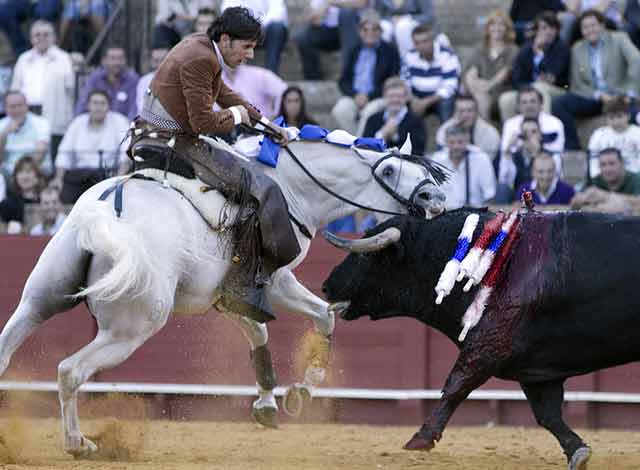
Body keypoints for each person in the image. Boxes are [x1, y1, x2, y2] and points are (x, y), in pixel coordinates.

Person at [131, 7, 298, 323]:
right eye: (246, 46)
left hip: (161, 135)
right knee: (258, 189)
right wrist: (238, 117)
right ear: (225, 39)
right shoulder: (202, 58)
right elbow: (201, 122)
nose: (250, 54)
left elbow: (223, 93)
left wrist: (265, 123)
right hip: (172, 142)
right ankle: (241, 285)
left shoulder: (202, 46)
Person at [551, 10, 640, 150]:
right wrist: (598, 95)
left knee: (636, 115)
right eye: (585, 27)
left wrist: (629, 92)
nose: (589, 30)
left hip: (620, 95)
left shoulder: (619, 39)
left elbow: (636, 62)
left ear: (602, 26)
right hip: (594, 98)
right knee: (559, 104)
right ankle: (572, 148)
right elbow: (577, 84)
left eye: (593, 25)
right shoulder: (577, 48)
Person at [10, 20, 74, 161]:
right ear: (32, 38)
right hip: (28, 112)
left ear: (54, 37)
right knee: (29, 150)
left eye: (46, 34)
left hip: (54, 113)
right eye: (37, 35)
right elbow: (15, 88)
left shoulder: (63, 58)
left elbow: (72, 91)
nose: (41, 37)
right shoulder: (24, 59)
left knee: (52, 154)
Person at [53, 90, 130, 204]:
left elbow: (126, 153)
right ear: (88, 105)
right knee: (65, 194)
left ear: (109, 106)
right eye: (95, 103)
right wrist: (58, 179)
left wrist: (118, 180)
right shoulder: (78, 122)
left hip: (106, 175)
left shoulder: (119, 121)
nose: (98, 107)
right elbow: (64, 153)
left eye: (102, 103)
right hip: (79, 176)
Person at [331, 9, 400, 135]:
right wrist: (355, 95)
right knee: (340, 110)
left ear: (380, 31)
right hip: (354, 96)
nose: (370, 33)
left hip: (378, 97)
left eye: (374, 29)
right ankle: (356, 143)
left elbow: (391, 81)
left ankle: (360, 147)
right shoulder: (354, 50)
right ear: (359, 32)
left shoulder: (389, 51)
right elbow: (343, 81)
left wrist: (369, 96)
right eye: (365, 29)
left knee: (369, 113)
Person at [500, 11, 570, 121]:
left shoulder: (562, 48)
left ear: (557, 30)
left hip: (558, 89)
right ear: (536, 31)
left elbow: (553, 74)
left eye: (552, 28)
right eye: (544, 28)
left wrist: (540, 55)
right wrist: (527, 88)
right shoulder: (527, 49)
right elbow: (517, 78)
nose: (548, 32)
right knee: (506, 99)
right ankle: (512, 133)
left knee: (540, 87)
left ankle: (544, 129)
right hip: (529, 88)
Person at [463, 9, 518, 120]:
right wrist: (476, 86)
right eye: (493, 24)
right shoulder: (480, 49)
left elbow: (504, 75)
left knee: (481, 96)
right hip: (480, 92)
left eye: (501, 25)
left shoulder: (513, 50)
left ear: (507, 29)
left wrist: (487, 86)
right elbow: (471, 74)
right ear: (488, 28)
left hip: (502, 92)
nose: (496, 28)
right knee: (479, 97)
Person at [402, 22, 460, 124]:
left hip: (438, 97)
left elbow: (450, 86)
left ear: (433, 40)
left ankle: (447, 135)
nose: (421, 46)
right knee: (399, 102)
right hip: (417, 96)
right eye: (417, 43)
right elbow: (405, 82)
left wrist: (425, 102)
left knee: (446, 103)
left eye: (425, 41)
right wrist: (413, 100)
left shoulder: (447, 55)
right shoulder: (410, 55)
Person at [497, 117, 563, 202]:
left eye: (534, 132)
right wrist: (507, 153)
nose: (529, 136)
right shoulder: (514, 156)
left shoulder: (553, 156)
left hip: (544, 196)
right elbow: (503, 180)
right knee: (502, 189)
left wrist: (537, 153)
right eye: (525, 133)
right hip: (518, 199)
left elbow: (555, 181)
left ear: (540, 135)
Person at [431, 125, 496, 209]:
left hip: (474, 213)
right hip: (444, 213)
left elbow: (490, 196)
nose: (456, 146)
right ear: (446, 143)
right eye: (452, 142)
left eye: (460, 142)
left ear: (467, 141)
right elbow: (432, 194)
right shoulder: (437, 160)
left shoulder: (481, 159)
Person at [220, 0, 288, 75]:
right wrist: (246, 25)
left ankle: (271, 73)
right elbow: (228, 11)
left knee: (277, 28)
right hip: (243, 31)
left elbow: (278, 11)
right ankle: (237, 73)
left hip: (266, 32)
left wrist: (258, 25)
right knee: (233, 28)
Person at [362, 76, 426, 155]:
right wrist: (383, 134)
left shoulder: (416, 121)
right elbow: (364, 149)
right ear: (384, 97)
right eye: (391, 96)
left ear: (406, 98)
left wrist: (396, 137)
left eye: (399, 96)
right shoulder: (373, 119)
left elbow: (418, 151)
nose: (395, 100)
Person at [75, 46, 140, 120]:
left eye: (120, 58)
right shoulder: (95, 79)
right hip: (98, 124)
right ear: (104, 61)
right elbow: (83, 103)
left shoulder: (133, 80)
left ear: (125, 60)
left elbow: (134, 108)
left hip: (123, 126)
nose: (116, 62)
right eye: (112, 58)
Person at [502, 86, 565, 156]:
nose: (529, 105)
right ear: (518, 106)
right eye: (524, 102)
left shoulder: (554, 123)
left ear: (541, 104)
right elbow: (505, 153)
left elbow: (556, 153)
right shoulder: (510, 124)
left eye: (533, 101)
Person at [571, 147, 640, 211]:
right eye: (603, 165)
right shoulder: (595, 181)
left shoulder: (635, 179)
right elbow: (574, 202)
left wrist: (605, 196)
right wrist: (583, 198)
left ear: (622, 164)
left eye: (612, 163)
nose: (608, 169)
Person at [0, 91, 50, 177]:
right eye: (12, 106)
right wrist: (4, 135)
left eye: (20, 105)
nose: (17, 110)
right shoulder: (2, 125)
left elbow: (40, 153)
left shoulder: (41, 123)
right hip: (8, 174)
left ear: (27, 106)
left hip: (34, 171)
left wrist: (22, 174)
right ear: (5, 109)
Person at [436, 95, 500, 160]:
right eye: (461, 111)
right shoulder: (445, 129)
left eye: (469, 111)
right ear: (455, 113)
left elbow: (488, 160)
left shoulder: (490, 132)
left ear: (477, 112)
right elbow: (442, 158)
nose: (465, 115)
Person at [588, 97, 640, 175]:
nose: (616, 121)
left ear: (628, 116)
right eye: (611, 118)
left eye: (619, 116)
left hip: (633, 175)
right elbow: (593, 159)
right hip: (607, 176)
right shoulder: (599, 134)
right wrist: (596, 177)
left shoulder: (637, 133)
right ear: (605, 119)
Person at [222, 64, 288, 120]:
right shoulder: (216, 78)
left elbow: (284, 91)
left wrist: (276, 115)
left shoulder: (259, 74)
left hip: (261, 127)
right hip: (227, 130)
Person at [0, 155, 44, 232]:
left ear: (37, 176)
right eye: (20, 172)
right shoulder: (7, 203)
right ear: (15, 177)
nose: (24, 176)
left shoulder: (45, 201)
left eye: (28, 172)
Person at [559, 0, 624, 44]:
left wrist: (581, 15)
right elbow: (572, 8)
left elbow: (599, 11)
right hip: (582, 22)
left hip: (606, 21)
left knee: (586, 24)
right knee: (570, 21)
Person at [136, 46, 170, 115]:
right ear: (151, 62)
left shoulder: (178, 79)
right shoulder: (144, 81)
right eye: (156, 61)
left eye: (163, 60)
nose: (160, 64)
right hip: (149, 122)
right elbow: (142, 106)